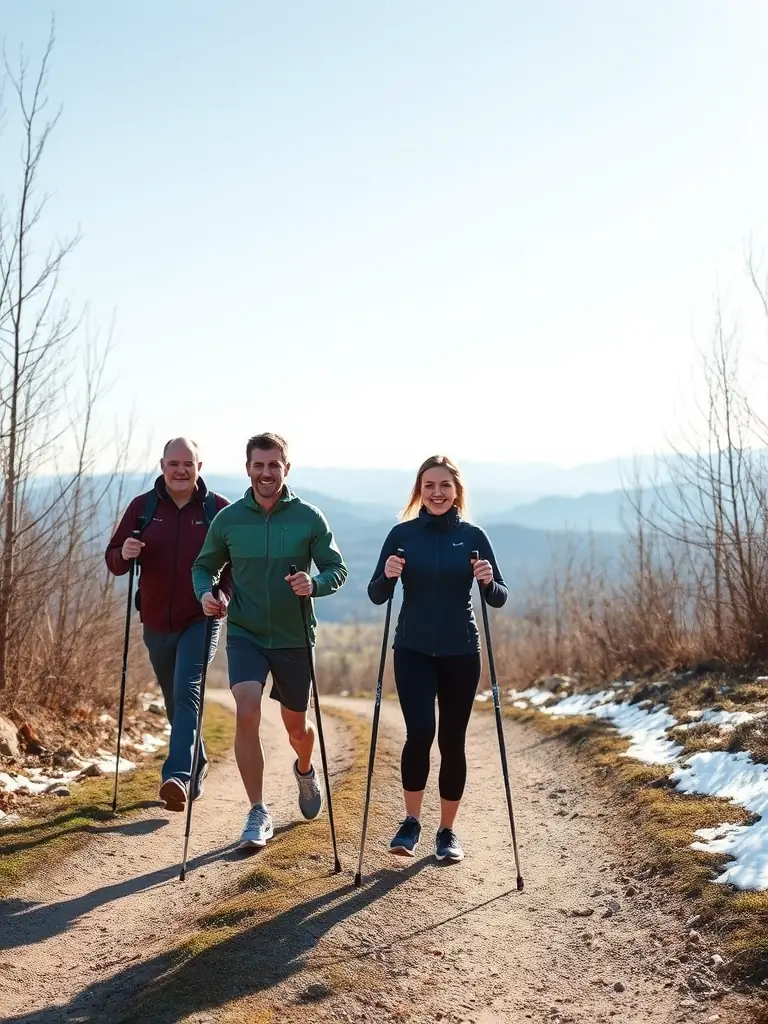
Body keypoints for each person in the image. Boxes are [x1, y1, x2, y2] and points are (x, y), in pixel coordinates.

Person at [191, 432, 347, 851]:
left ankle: (304, 767)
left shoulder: (309, 517)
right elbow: (203, 567)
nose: (265, 473)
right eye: (258, 465)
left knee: (297, 728)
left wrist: (312, 584)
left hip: (295, 635)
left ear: (286, 468)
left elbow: (337, 569)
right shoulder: (228, 520)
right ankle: (258, 810)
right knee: (247, 709)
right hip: (245, 632)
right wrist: (206, 594)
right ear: (248, 469)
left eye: (273, 465)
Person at [368, 455, 508, 863]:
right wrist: (389, 574)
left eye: (444, 485)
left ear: (456, 490)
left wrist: (487, 580)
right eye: (429, 485)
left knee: (452, 740)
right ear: (419, 491)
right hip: (411, 649)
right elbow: (377, 594)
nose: (437, 492)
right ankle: (411, 822)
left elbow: (498, 597)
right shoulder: (401, 535)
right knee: (420, 733)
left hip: (461, 651)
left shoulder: (474, 536)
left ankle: (446, 831)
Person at [105, 438, 231, 812]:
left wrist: (222, 595)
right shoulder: (142, 508)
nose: (180, 470)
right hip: (156, 620)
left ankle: (178, 776)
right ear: (162, 465)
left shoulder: (217, 510)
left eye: (187, 464)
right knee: (174, 700)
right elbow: (114, 560)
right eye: (174, 463)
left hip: (201, 617)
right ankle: (199, 761)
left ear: (199, 466)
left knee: (187, 688)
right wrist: (124, 553)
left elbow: (236, 564)